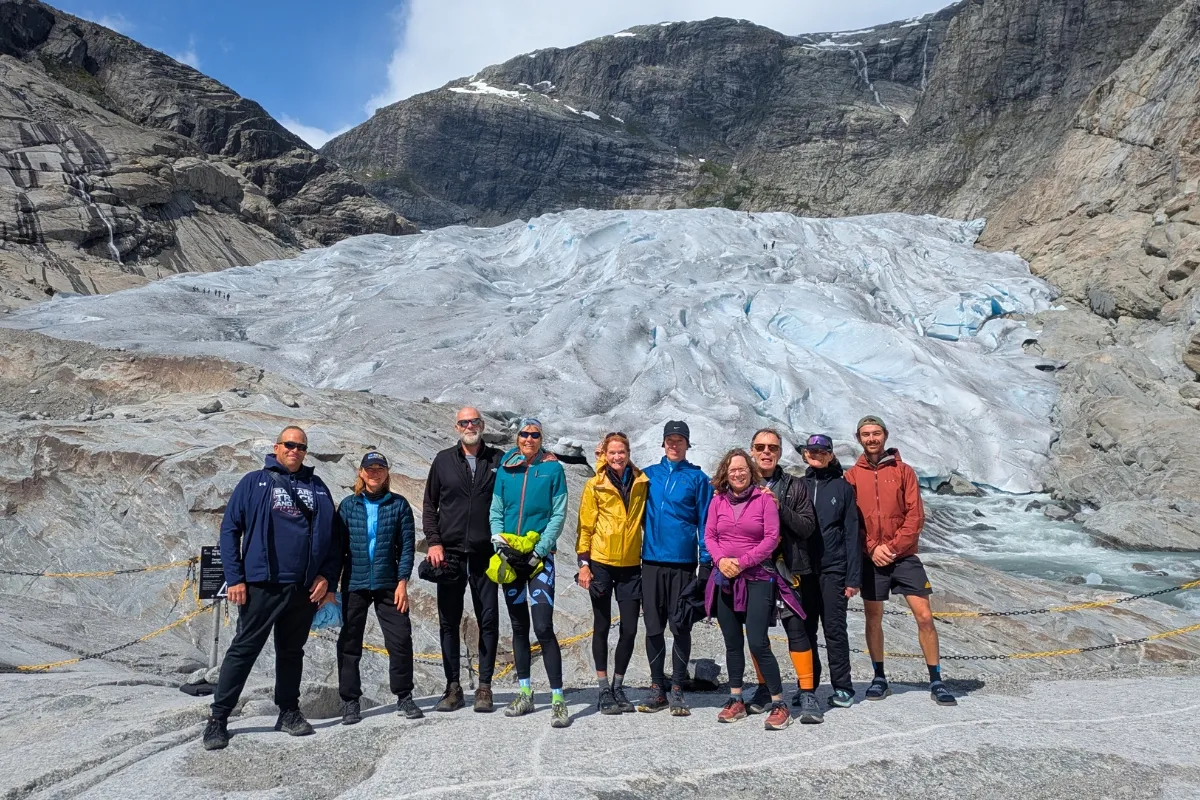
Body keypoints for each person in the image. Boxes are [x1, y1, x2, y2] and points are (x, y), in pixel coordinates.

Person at [203, 425, 341, 751]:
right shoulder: (254, 482)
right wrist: (235, 579)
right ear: (277, 447)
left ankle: (289, 712)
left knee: (292, 652)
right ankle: (218, 719)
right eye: (289, 444)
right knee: (244, 649)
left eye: (301, 447)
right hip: (261, 585)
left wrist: (326, 579)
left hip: (304, 588)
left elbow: (334, 541)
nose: (295, 450)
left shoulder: (318, 487)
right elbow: (229, 530)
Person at [845, 415, 956, 707]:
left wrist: (891, 548)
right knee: (874, 618)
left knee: (924, 617)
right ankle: (879, 677)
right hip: (871, 558)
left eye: (877, 433)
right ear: (859, 438)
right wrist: (871, 548)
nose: (872, 438)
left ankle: (936, 679)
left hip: (902, 556)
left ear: (886, 435)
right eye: (866, 434)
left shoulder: (904, 471)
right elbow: (851, 519)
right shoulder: (852, 476)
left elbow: (915, 516)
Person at [489, 418, 571, 728]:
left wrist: (540, 549)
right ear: (517, 437)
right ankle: (525, 692)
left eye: (535, 435)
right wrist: (499, 542)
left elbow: (558, 513)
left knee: (543, 626)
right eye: (524, 434)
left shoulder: (553, 469)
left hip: (539, 559)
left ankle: (558, 698)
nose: (529, 439)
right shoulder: (507, 468)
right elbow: (496, 510)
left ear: (541, 438)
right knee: (518, 626)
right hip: (510, 557)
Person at [422, 407, 504, 712]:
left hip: (486, 553)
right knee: (448, 621)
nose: (470, 426)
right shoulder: (444, 460)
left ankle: (485, 688)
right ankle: (453, 687)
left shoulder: (498, 459)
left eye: (475, 421)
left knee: (489, 620)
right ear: (456, 428)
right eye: (464, 422)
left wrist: (548, 458)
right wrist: (434, 542)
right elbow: (430, 505)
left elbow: (526, 468)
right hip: (451, 554)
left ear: (483, 425)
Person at [703, 448, 790, 730]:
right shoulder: (718, 501)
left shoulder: (763, 499)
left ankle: (778, 702)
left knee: (757, 641)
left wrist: (742, 562)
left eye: (742, 469)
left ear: (750, 471)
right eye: (732, 470)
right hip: (725, 578)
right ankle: (736, 698)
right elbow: (710, 535)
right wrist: (721, 560)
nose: (737, 474)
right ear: (725, 474)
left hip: (757, 577)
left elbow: (771, 537)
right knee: (732, 642)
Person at [336, 451, 421, 724]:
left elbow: (407, 546)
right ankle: (350, 702)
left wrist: (402, 582)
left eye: (379, 468)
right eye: (369, 468)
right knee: (349, 643)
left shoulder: (399, 505)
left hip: (388, 583)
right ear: (361, 473)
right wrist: (330, 584)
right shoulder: (348, 506)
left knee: (400, 639)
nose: (374, 473)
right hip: (355, 581)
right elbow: (337, 548)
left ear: (386, 473)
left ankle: (404, 696)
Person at [636, 420, 714, 716]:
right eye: (670, 439)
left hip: (683, 563)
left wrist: (705, 562)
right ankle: (657, 687)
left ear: (687, 444)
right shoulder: (647, 476)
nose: (674, 444)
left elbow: (706, 522)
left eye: (680, 439)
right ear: (663, 442)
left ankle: (678, 687)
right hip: (651, 561)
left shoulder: (698, 479)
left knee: (680, 624)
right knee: (653, 625)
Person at [747, 428, 822, 724]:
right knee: (757, 634)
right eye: (760, 446)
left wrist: (781, 509)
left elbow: (807, 527)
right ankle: (765, 688)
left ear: (779, 453)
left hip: (788, 569)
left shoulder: (795, 486)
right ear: (752, 450)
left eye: (772, 448)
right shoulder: (742, 483)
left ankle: (807, 692)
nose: (766, 452)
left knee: (796, 630)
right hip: (753, 570)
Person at [577, 432, 648, 715]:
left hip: (631, 564)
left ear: (629, 453)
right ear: (604, 455)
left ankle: (619, 686)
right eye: (612, 452)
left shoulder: (642, 482)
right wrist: (584, 563)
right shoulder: (595, 485)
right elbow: (585, 526)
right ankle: (603, 688)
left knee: (630, 628)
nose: (617, 457)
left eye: (621, 452)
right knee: (602, 625)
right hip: (602, 562)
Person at [799, 434, 861, 710]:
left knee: (835, 630)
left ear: (831, 455)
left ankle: (843, 687)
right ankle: (808, 687)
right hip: (803, 571)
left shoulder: (842, 488)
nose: (816, 455)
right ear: (805, 455)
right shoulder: (798, 485)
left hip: (833, 570)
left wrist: (852, 578)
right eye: (812, 451)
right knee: (805, 629)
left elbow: (851, 535)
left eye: (822, 451)